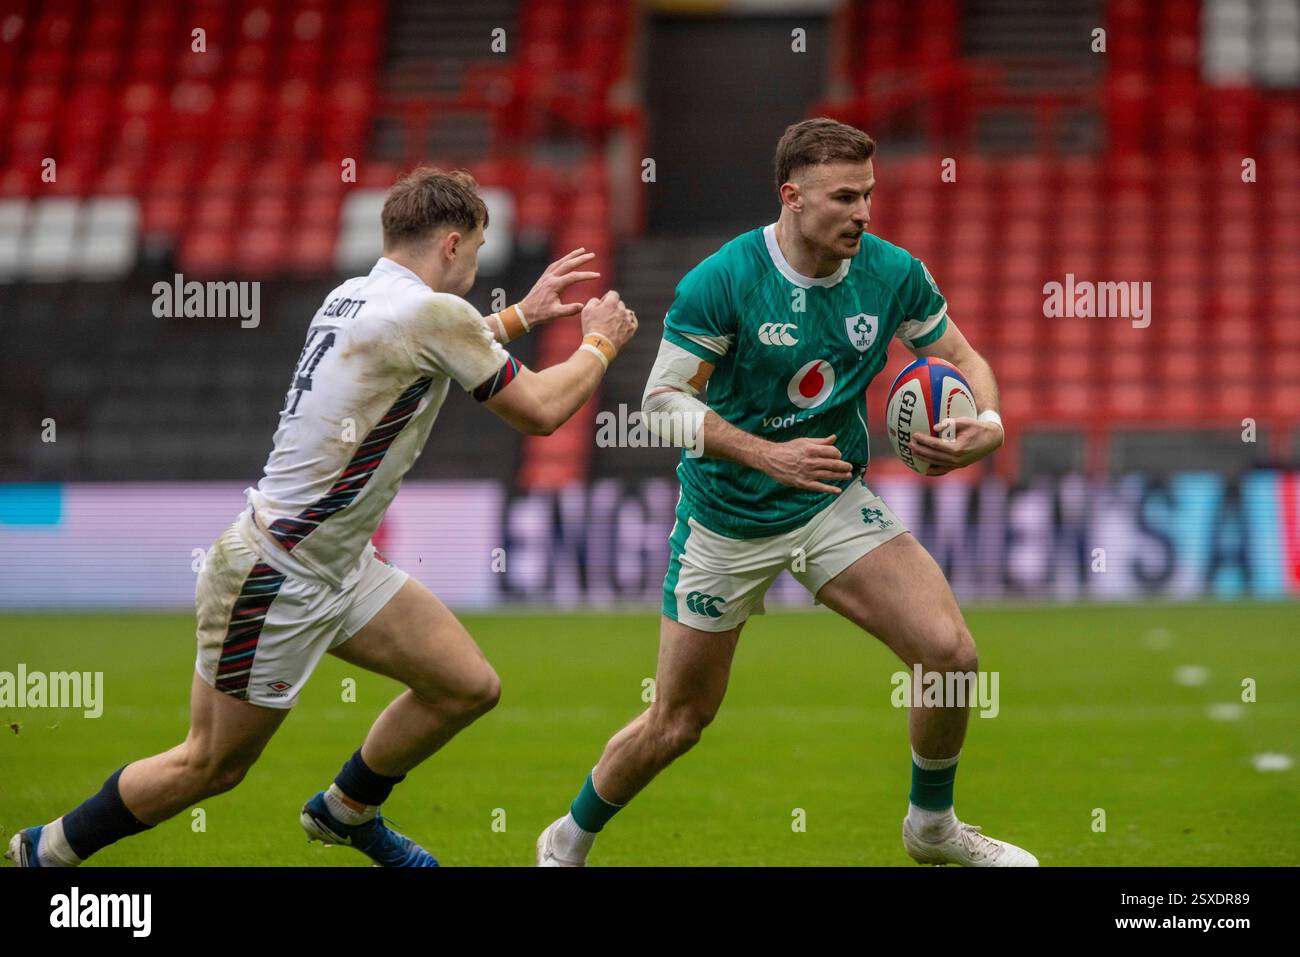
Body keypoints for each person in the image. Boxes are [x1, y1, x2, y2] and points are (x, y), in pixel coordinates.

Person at [6, 167, 637, 868]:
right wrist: (600, 341)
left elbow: (426, 350)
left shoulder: (355, 294)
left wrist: (520, 315)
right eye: (479, 248)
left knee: (465, 685)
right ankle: (49, 849)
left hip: (336, 566)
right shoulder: (430, 314)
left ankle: (346, 809)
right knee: (209, 764)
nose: (478, 262)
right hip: (276, 575)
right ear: (453, 245)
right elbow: (543, 410)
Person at [536, 119, 1036, 867]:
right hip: (726, 518)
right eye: (844, 197)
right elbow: (661, 402)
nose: (863, 213)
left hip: (829, 499)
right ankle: (567, 837)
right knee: (678, 721)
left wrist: (988, 421)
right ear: (792, 197)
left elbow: (962, 356)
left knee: (949, 652)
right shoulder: (725, 279)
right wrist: (767, 454)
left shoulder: (892, 273)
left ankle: (932, 828)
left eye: (868, 194)